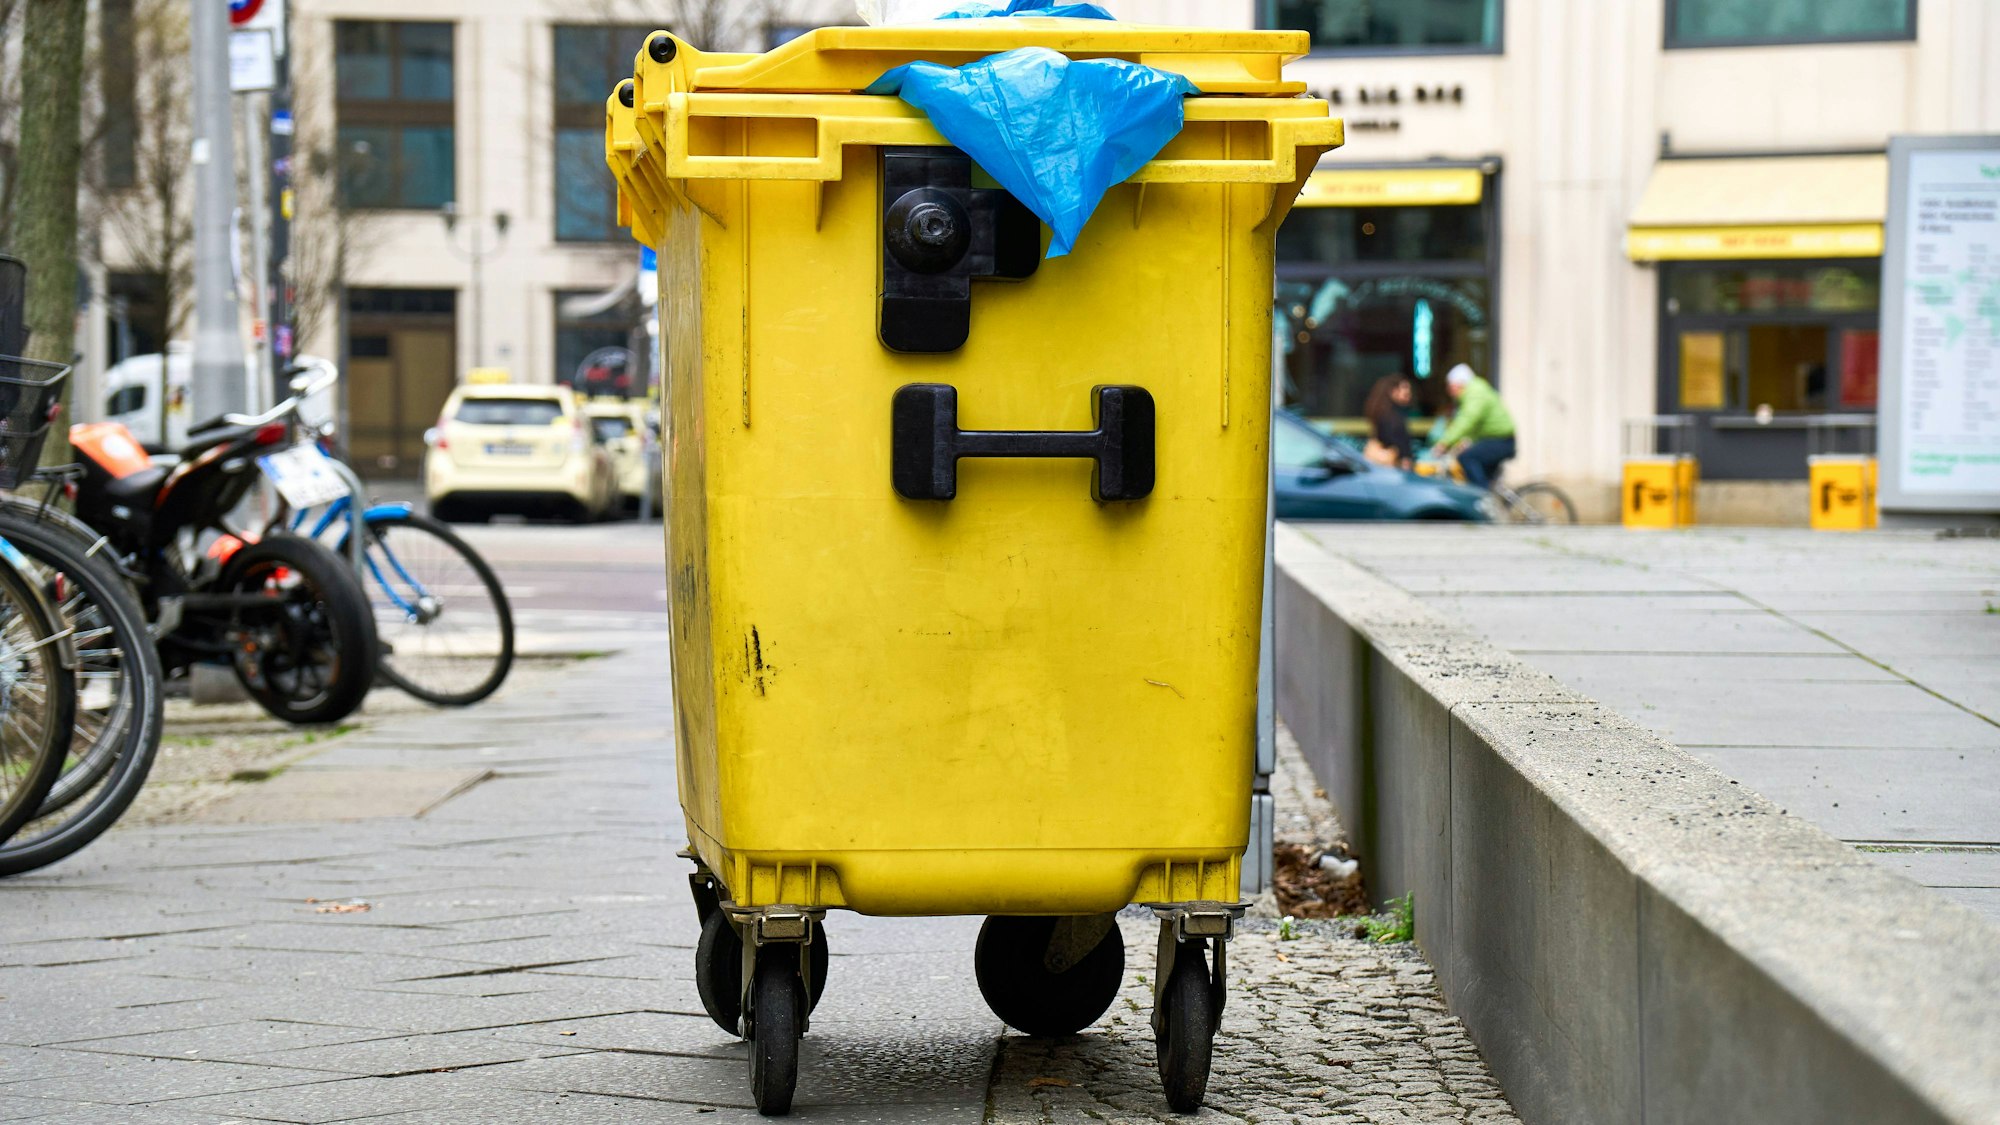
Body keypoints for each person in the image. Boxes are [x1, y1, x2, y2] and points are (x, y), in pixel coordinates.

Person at [1435, 363, 1516, 489]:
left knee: (1467, 458)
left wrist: (1445, 442)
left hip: (1501, 441)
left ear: (1459, 384)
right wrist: (1467, 440)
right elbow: (1477, 424)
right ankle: (1490, 500)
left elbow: (1467, 420)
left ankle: (1482, 499)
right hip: (1498, 440)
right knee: (1483, 476)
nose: (1449, 391)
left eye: (1450, 386)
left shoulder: (1475, 393)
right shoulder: (1474, 391)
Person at [1362, 374, 1415, 469]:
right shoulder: (1392, 417)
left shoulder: (1381, 412)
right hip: (1393, 464)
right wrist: (1405, 458)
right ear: (1393, 391)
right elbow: (1397, 441)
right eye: (1405, 391)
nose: (1409, 394)